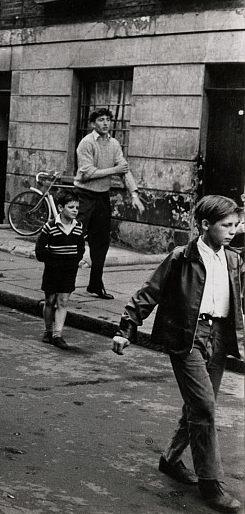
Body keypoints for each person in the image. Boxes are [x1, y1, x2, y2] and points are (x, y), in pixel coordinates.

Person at [112, 195, 243, 514]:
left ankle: (170, 460)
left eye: (236, 225)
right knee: (204, 406)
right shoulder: (180, 257)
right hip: (187, 337)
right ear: (204, 226)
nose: (233, 231)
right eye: (227, 226)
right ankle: (210, 483)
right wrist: (125, 328)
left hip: (219, 338)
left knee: (198, 406)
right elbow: (148, 293)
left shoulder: (235, 259)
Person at [74, 108, 145, 299]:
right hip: (84, 195)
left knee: (101, 242)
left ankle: (95, 284)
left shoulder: (114, 143)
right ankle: (67, 281)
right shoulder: (86, 143)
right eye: (101, 120)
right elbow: (87, 173)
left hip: (102, 197)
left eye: (108, 120)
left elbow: (124, 170)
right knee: (75, 237)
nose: (105, 123)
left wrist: (134, 194)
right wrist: (114, 169)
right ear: (93, 123)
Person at [35, 189, 85, 350]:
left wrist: (76, 260)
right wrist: (51, 260)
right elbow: (40, 249)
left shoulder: (78, 227)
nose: (75, 211)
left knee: (63, 301)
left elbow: (81, 248)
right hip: (52, 269)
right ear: (61, 207)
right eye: (71, 207)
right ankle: (48, 330)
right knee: (50, 300)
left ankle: (58, 334)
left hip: (69, 270)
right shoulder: (50, 227)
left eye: (77, 207)